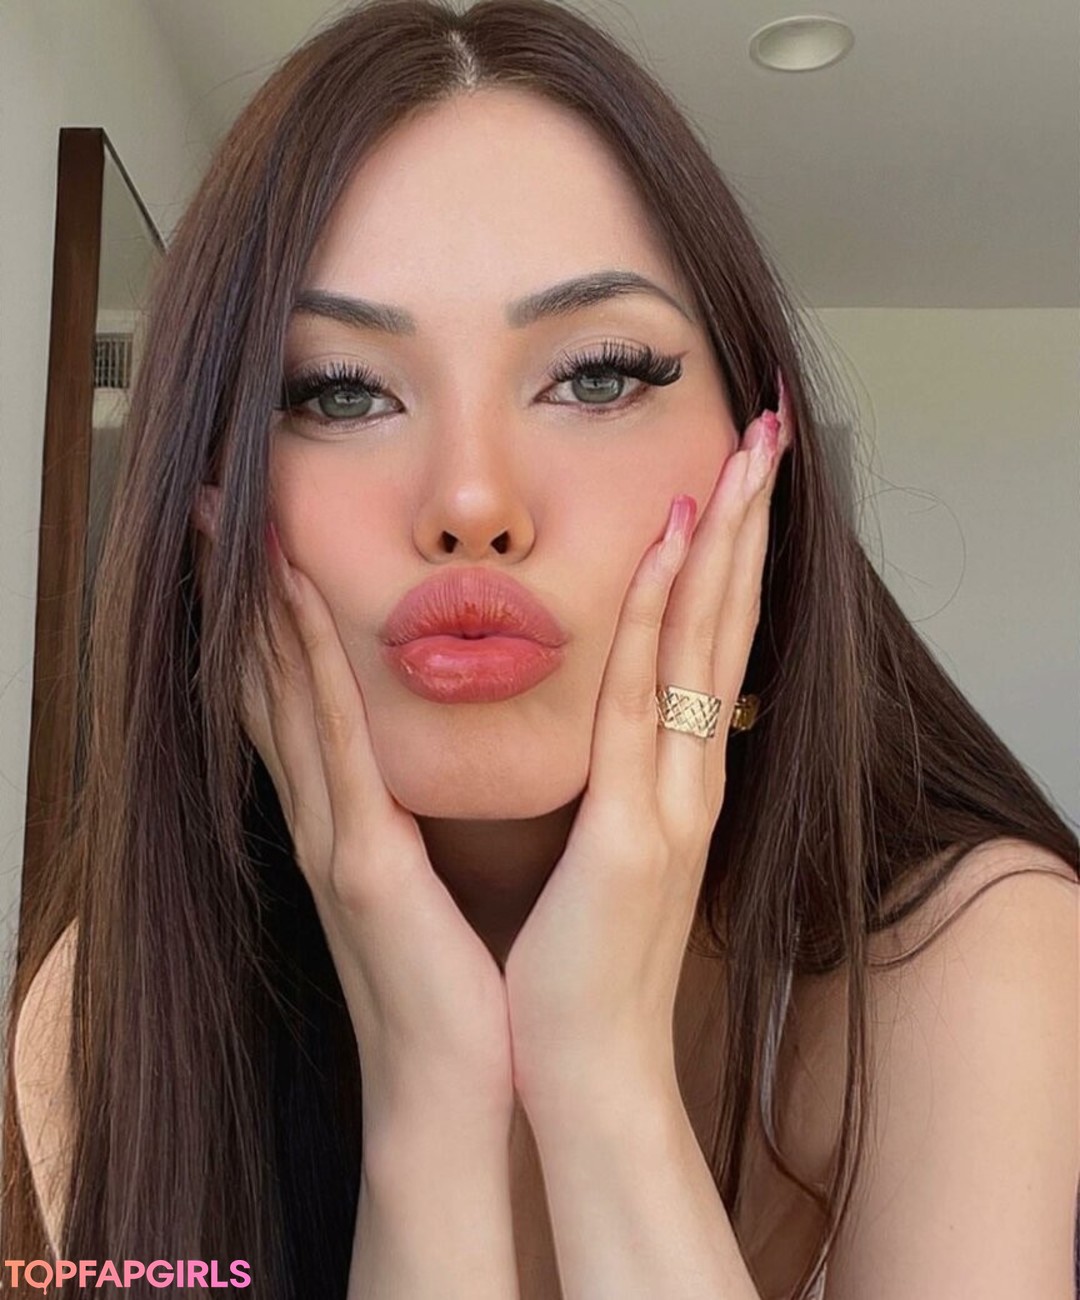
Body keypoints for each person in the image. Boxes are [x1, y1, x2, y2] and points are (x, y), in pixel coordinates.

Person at [5, 1, 1077, 1297]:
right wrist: (430, 1105)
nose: (472, 501)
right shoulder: (104, 1019)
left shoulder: (964, 957)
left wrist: (602, 1076)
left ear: (759, 461)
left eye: (598, 375)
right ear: (209, 489)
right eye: (339, 391)